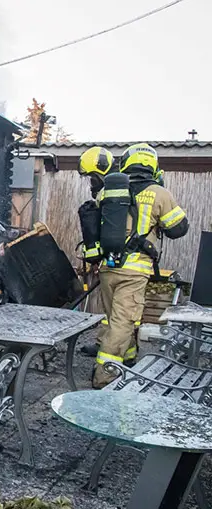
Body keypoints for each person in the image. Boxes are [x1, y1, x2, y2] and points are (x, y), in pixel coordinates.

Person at [93, 143, 189, 388]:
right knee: (123, 322)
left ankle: (128, 358)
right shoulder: (158, 193)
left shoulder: (107, 191)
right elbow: (178, 229)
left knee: (114, 318)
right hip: (134, 271)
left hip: (107, 267)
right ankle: (105, 376)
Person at [77, 146, 114, 358]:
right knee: (111, 312)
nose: (91, 183)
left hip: (122, 263)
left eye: (92, 177)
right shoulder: (107, 193)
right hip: (110, 262)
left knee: (120, 315)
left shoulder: (111, 194)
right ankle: (104, 345)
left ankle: (108, 363)